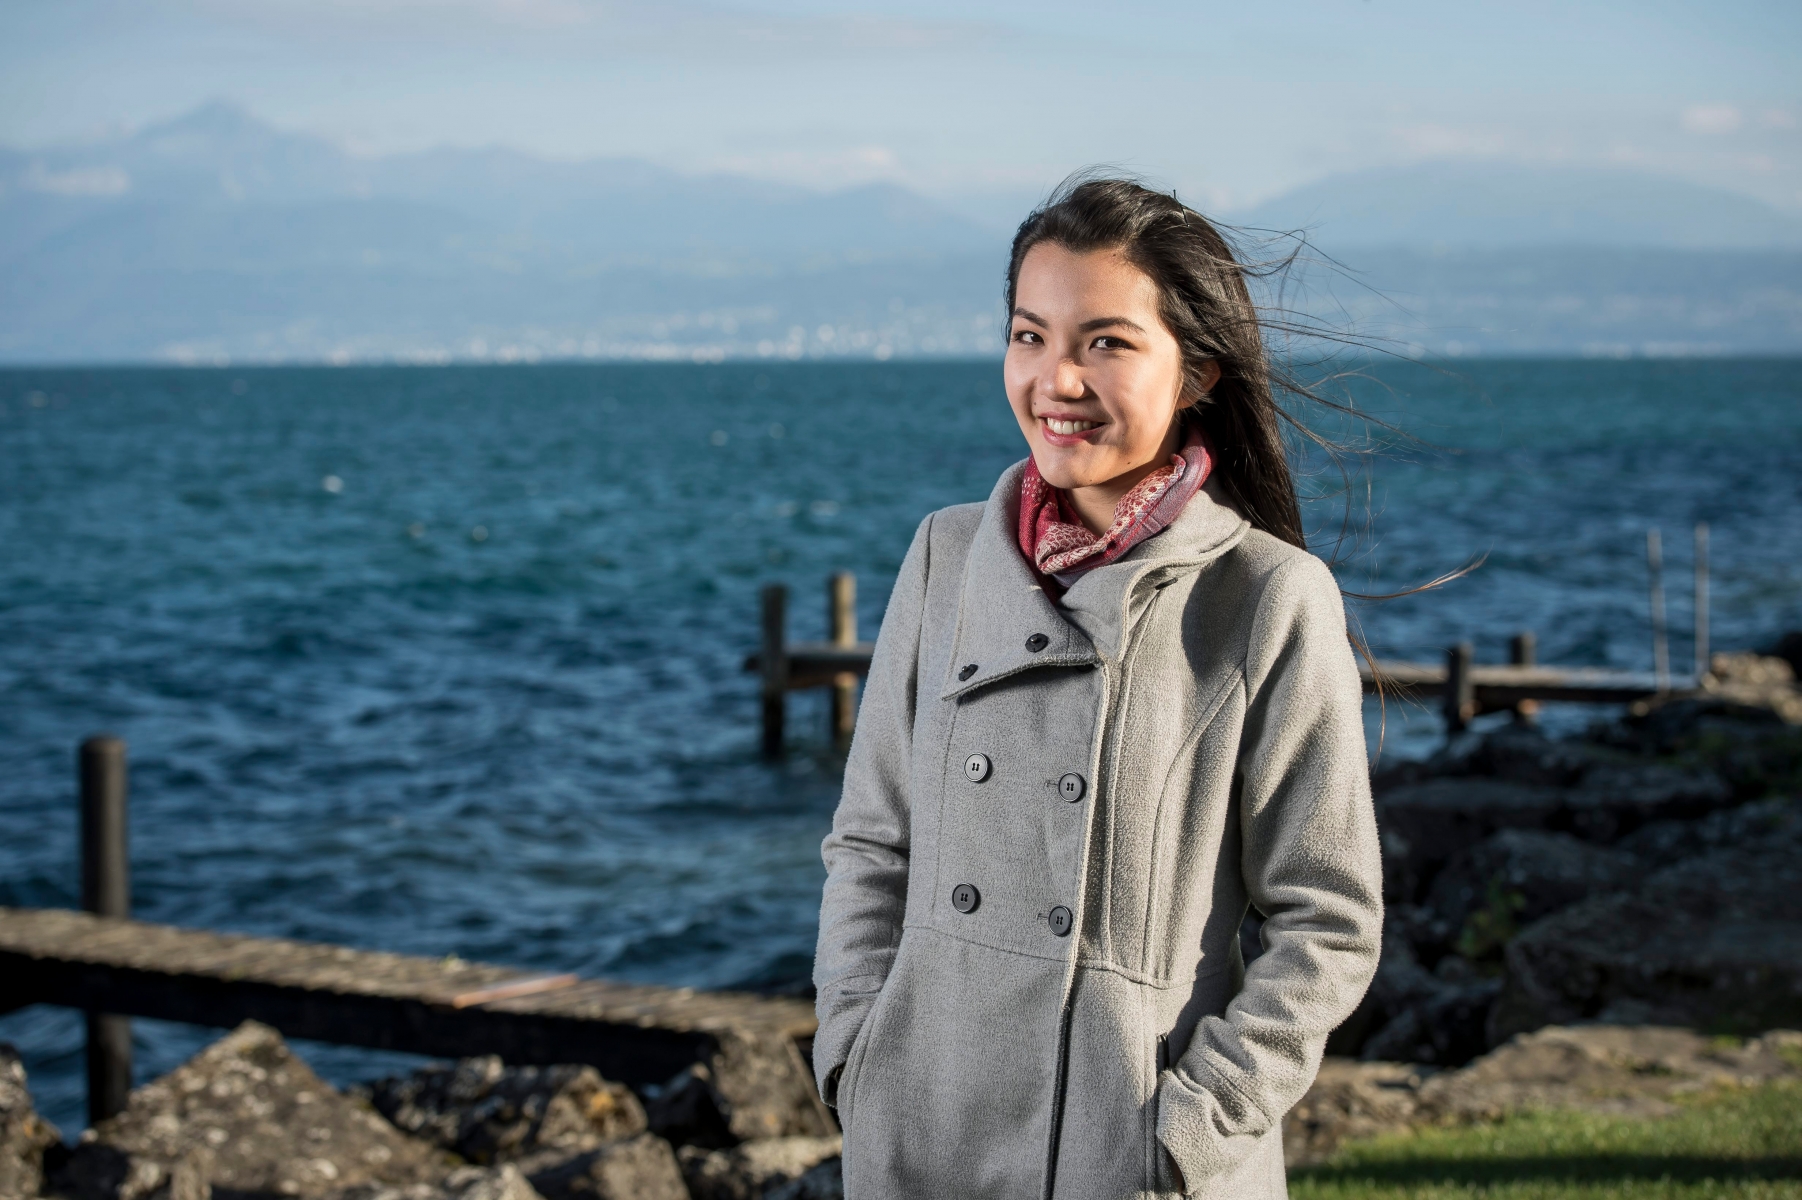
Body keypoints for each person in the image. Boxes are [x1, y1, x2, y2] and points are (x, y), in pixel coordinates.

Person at [811, 177, 1384, 1199]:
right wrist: (856, 1058)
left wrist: (1185, 1134)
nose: (1054, 380)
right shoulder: (946, 556)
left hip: (1124, 1158)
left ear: (1197, 370)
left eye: (1105, 343)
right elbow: (870, 842)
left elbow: (1325, 919)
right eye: (1029, 336)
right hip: (919, 1137)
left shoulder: (1263, 597)